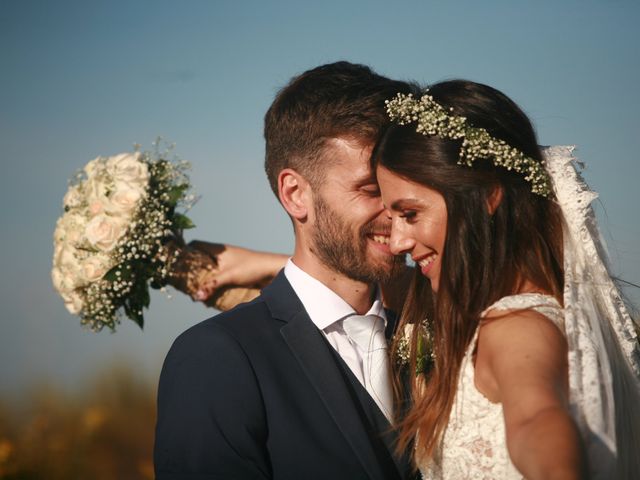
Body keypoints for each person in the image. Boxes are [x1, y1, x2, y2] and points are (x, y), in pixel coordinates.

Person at [154, 62, 419, 480]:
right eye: (371, 191)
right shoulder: (218, 357)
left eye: (406, 191)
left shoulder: (440, 327)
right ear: (295, 194)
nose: (399, 212)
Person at [371, 80, 640, 479]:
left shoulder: (514, 326)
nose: (397, 242)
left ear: (486, 196)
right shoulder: (529, 315)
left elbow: (537, 421)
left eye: (410, 214)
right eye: (391, 220)